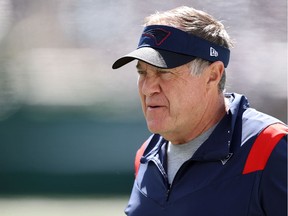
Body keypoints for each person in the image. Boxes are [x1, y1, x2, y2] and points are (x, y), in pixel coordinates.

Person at [112, 6, 287, 216]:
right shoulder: (146, 155)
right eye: (143, 73)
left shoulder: (268, 146)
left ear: (213, 75)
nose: (149, 88)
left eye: (164, 73)